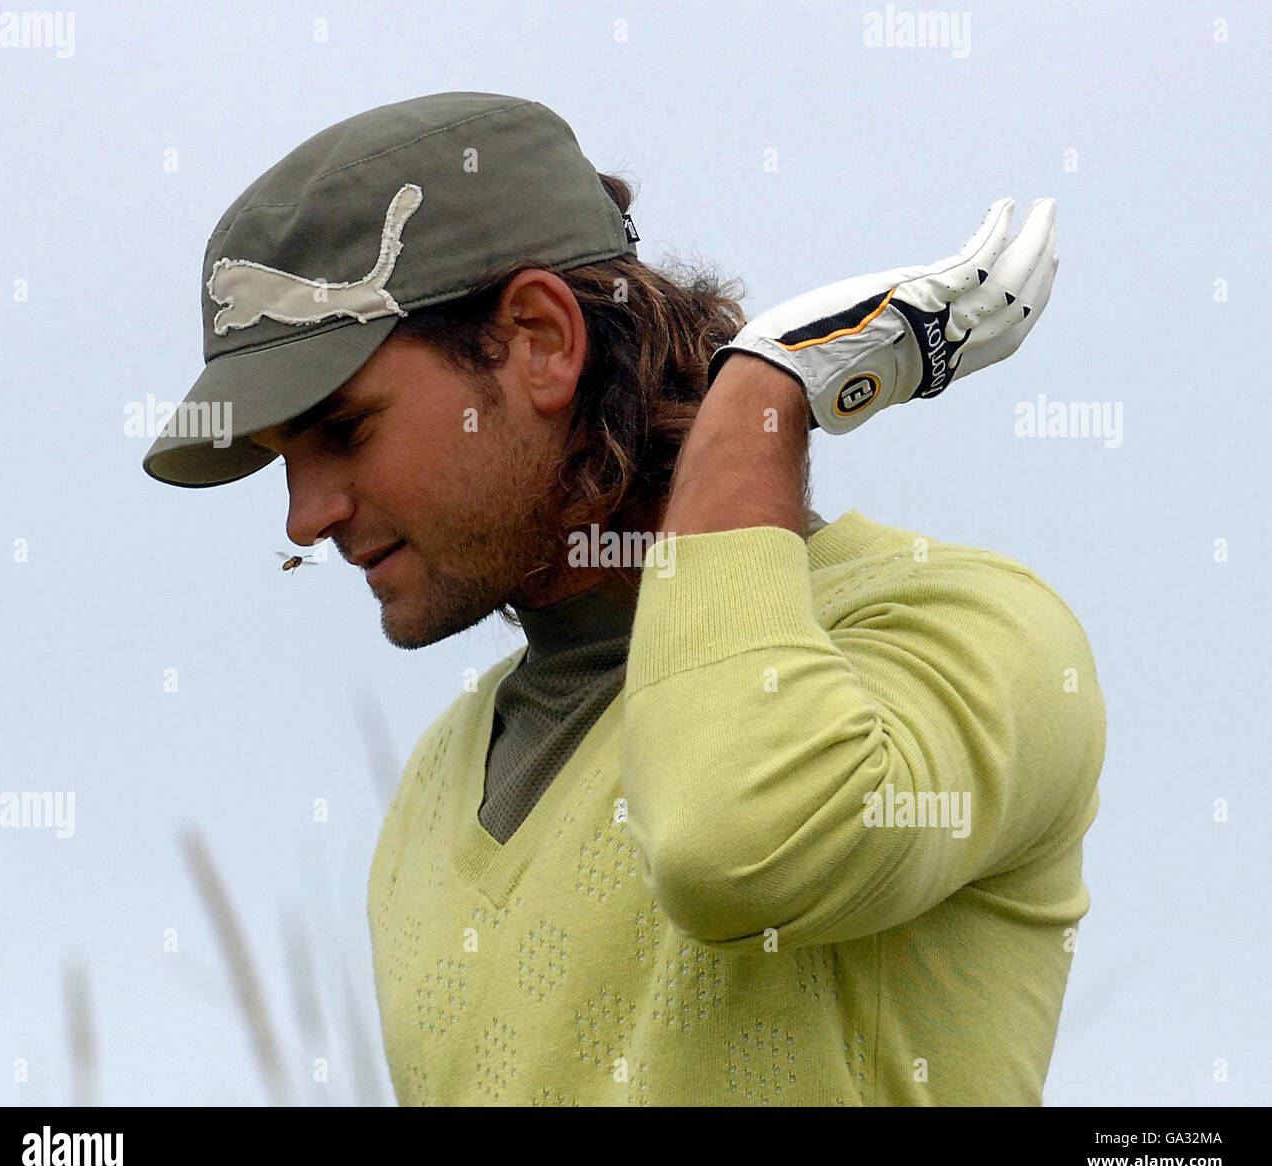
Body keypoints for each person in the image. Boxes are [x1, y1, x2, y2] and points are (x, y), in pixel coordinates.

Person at [143, 91, 1105, 1106]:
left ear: (541, 340)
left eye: (344, 428)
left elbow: (732, 844)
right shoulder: (435, 784)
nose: (304, 516)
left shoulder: (967, 627)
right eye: (280, 459)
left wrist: (764, 394)